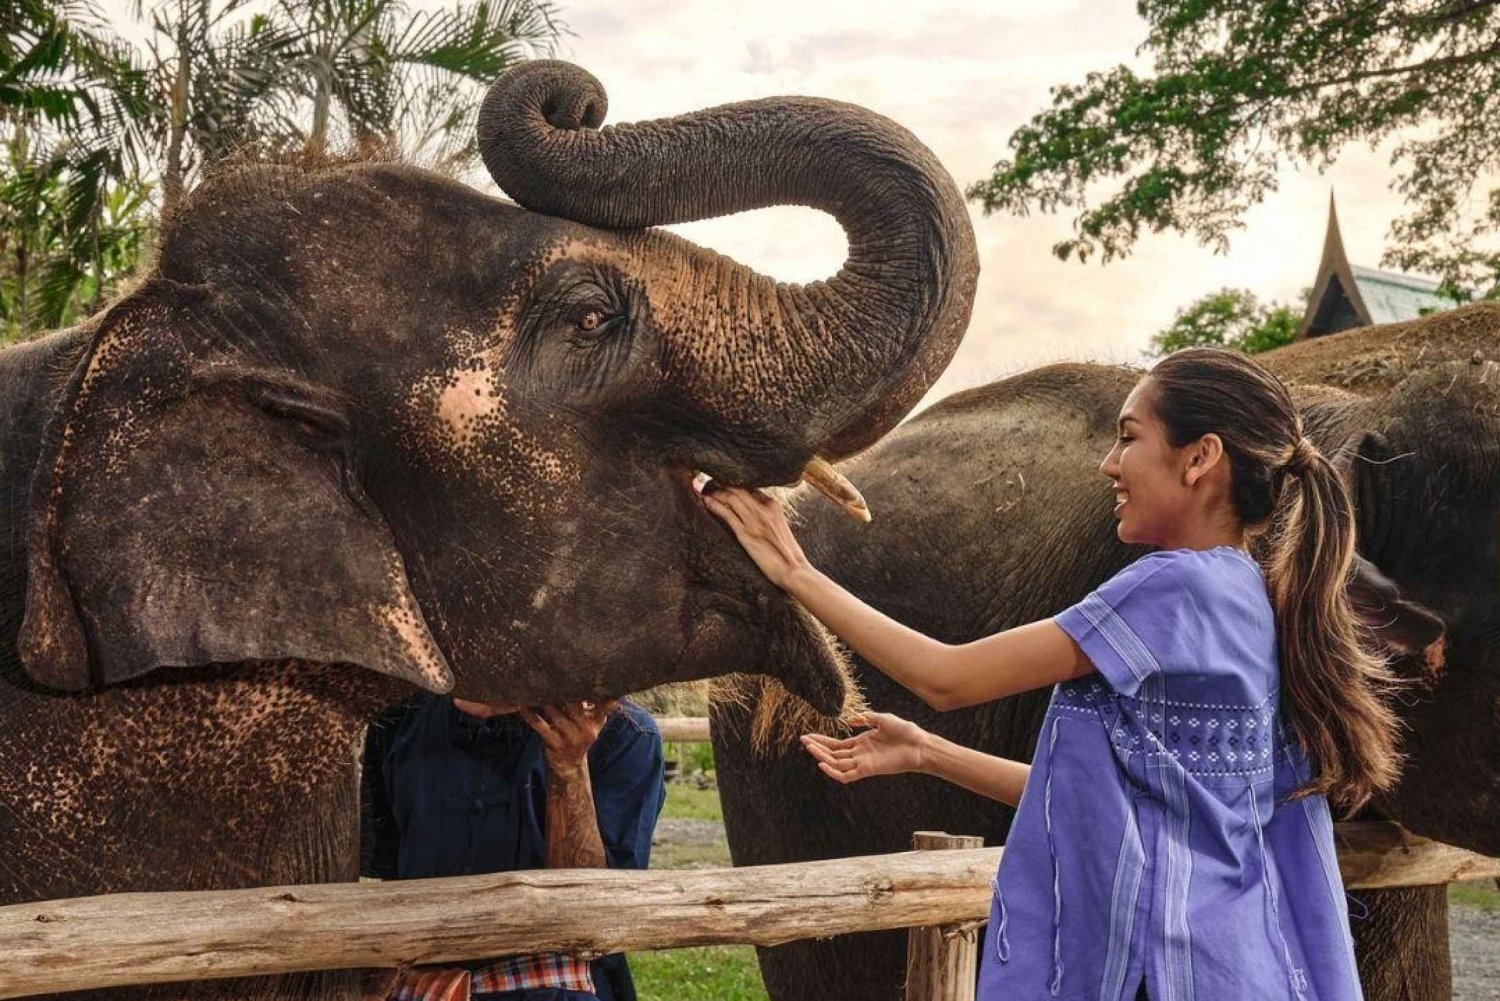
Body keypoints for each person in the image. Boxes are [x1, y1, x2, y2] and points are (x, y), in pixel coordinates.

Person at [703, 347, 1399, 1001]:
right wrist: (926, 751)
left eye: (1129, 436)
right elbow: (1112, 799)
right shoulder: (1251, 595)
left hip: (1155, 972)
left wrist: (792, 567)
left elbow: (945, 676)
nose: (1108, 463)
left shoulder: (1171, 587)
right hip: (1235, 969)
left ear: (1200, 458)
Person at [361, 694, 666, 1001]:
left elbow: (599, 919)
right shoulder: (399, 719)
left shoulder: (624, 733)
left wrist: (570, 769)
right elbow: (390, 878)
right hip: (420, 988)